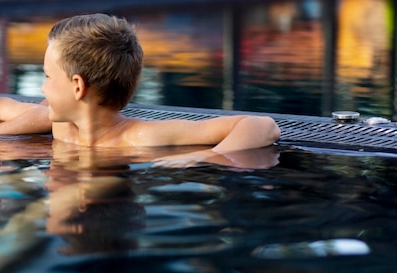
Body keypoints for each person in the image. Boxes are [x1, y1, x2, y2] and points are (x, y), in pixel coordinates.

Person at [40, 13, 281, 167]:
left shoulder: (141, 137)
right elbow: (24, 113)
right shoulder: (63, 129)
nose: (42, 88)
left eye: (48, 77)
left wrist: (205, 157)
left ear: (78, 87)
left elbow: (263, 126)